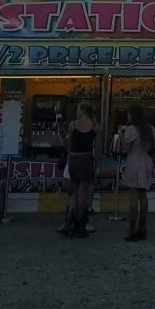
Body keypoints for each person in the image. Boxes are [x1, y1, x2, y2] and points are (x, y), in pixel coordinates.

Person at [119, 105, 155, 242]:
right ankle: (143, 227)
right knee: (144, 196)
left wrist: (122, 134)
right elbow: (154, 148)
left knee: (133, 197)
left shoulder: (131, 130)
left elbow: (126, 149)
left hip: (134, 163)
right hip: (147, 162)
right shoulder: (150, 129)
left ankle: (132, 230)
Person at [61, 102, 98, 239]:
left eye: (77, 109)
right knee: (84, 192)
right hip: (86, 158)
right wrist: (96, 162)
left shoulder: (72, 125)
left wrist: (69, 158)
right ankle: (79, 222)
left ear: (82, 111)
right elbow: (97, 148)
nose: (76, 111)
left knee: (74, 192)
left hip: (73, 159)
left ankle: (68, 222)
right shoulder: (95, 126)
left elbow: (69, 145)